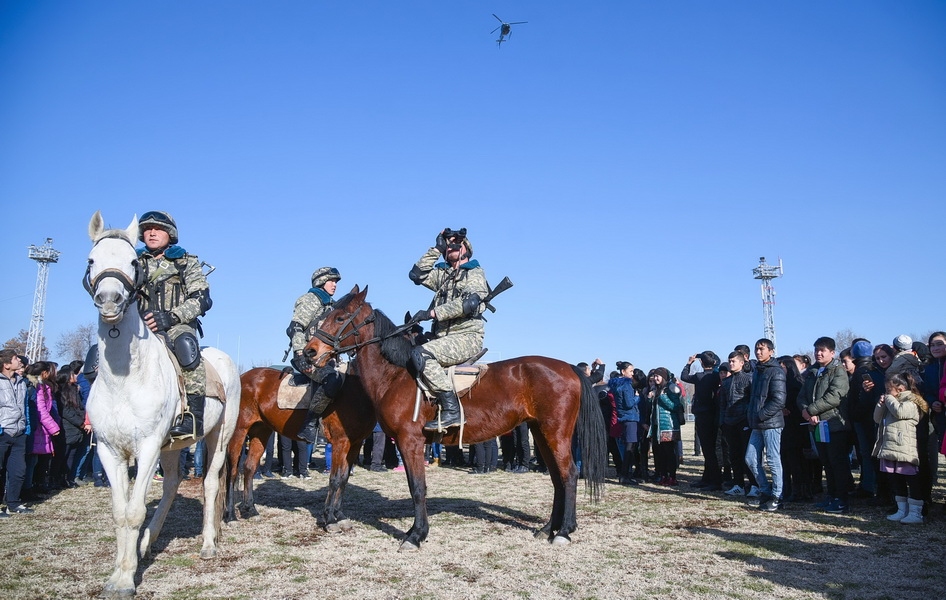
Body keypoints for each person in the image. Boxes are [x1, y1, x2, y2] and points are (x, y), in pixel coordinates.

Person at [136, 210, 213, 439]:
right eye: (147, 229)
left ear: (169, 234)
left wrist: (171, 317)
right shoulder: (134, 262)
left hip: (176, 325)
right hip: (138, 325)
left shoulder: (186, 261)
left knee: (187, 349)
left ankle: (192, 417)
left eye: (158, 229)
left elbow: (202, 299)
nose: (151, 232)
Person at [408, 228, 488, 431]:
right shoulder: (443, 275)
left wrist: (432, 314)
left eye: (457, 243)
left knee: (422, 354)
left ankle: (452, 410)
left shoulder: (474, 272)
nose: (452, 246)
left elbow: (469, 303)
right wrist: (436, 248)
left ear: (466, 249)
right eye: (449, 244)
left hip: (466, 336)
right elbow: (416, 274)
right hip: (441, 337)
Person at [286, 266, 344, 443]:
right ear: (321, 282)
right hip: (307, 356)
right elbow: (295, 327)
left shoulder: (332, 305)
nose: (335, 285)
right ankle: (309, 425)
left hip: (327, 357)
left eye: (336, 282)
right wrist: (299, 353)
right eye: (332, 281)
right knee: (332, 380)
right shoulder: (310, 299)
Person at [798, 336, 851, 514]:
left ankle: (842, 499)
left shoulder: (838, 371)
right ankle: (831, 496)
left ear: (832, 352)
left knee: (837, 462)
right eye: (816, 350)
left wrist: (812, 410)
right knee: (826, 462)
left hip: (833, 424)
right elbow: (802, 396)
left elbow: (835, 395)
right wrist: (806, 411)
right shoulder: (813, 372)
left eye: (822, 350)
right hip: (816, 425)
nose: (818, 354)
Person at [874, 372, 928, 523]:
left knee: (911, 479)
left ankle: (916, 513)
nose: (886, 392)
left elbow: (900, 412)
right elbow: (877, 418)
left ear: (901, 388)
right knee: (895, 479)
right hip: (890, 446)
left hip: (905, 447)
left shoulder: (911, 402)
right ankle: (901, 509)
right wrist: (880, 405)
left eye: (889, 389)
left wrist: (889, 399)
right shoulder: (890, 402)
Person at [745, 339, 786, 512]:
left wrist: (761, 414)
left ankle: (777, 496)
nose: (758, 352)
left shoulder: (775, 371)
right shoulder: (758, 371)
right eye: (757, 349)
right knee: (751, 458)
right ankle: (766, 491)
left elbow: (779, 400)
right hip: (757, 423)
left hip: (771, 423)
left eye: (762, 349)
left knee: (773, 459)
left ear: (771, 351)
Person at [681, 351, 722, 490]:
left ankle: (714, 481)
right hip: (714, 414)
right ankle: (707, 478)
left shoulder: (699, 376)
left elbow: (684, 376)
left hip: (703, 415)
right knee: (710, 449)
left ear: (702, 363)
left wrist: (689, 363)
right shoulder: (717, 376)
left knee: (708, 450)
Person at [0, 349, 32, 515]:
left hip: (19, 433)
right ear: (6, 365)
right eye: (15, 359)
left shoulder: (21, 382)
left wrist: (26, 427)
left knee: (18, 471)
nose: (19, 361)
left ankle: (13, 503)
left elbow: (25, 406)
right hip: (3, 432)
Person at [720, 352, 755, 497]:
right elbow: (722, 404)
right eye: (730, 361)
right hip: (729, 422)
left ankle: (754, 485)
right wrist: (722, 421)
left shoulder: (749, 379)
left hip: (744, 422)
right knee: (734, 455)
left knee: (748, 455)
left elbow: (753, 401)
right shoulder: (726, 382)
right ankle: (738, 484)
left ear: (742, 363)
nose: (731, 363)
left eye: (734, 361)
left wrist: (750, 420)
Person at [648, 368, 684, 486]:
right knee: (660, 454)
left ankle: (672, 477)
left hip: (668, 425)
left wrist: (661, 397)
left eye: (658, 376)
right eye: (655, 376)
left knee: (669, 453)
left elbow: (675, 406)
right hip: (657, 426)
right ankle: (663, 475)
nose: (656, 378)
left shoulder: (671, 388)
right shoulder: (656, 389)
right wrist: (650, 398)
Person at [611, 361, 640, 484]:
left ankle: (625, 474)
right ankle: (625, 475)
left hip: (623, 417)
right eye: (631, 371)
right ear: (623, 371)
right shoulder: (627, 385)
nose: (632, 373)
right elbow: (629, 403)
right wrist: (637, 397)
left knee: (629, 446)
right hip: (630, 417)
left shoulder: (616, 385)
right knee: (629, 447)